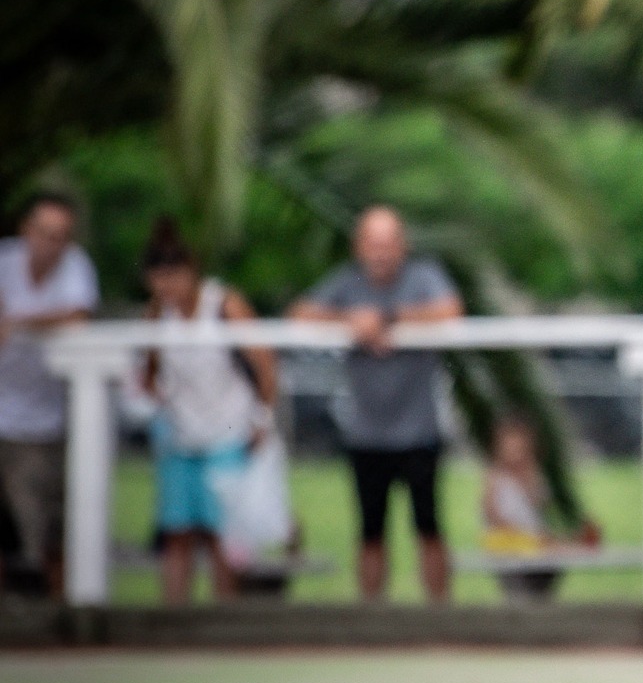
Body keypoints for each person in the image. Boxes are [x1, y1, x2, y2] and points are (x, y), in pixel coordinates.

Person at [288, 207, 462, 601]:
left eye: (388, 243)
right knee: (370, 532)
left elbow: (451, 311)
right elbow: (300, 314)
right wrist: (351, 323)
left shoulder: (423, 277)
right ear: (359, 247)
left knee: (429, 527)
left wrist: (387, 318)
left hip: (419, 430)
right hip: (366, 433)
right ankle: (371, 622)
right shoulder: (346, 284)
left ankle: (441, 620)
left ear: (403, 246)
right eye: (373, 242)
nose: (380, 252)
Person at [138, 219, 278, 605]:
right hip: (181, 434)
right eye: (159, 278)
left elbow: (264, 361)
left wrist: (262, 418)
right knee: (178, 531)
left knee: (223, 533)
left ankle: (223, 617)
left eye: (174, 276)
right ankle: (174, 616)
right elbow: (149, 371)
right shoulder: (156, 314)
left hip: (228, 428)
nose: (167, 287)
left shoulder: (224, 304)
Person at [0, 194, 98, 598]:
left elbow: (77, 315)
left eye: (62, 236)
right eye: (45, 233)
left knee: (45, 532)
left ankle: (62, 621)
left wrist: (17, 321)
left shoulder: (75, 268)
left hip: (43, 423)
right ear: (26, 230)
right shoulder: (5, 261)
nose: (52, 243)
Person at [481, 416, 565, 602]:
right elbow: (490, 511)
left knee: (542, 589)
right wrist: (507, 529)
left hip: (534, 542)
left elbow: (540, 505)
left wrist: (528, 478)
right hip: (507, 543)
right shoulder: (495, 477)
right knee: (519, 594)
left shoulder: (534, 474)